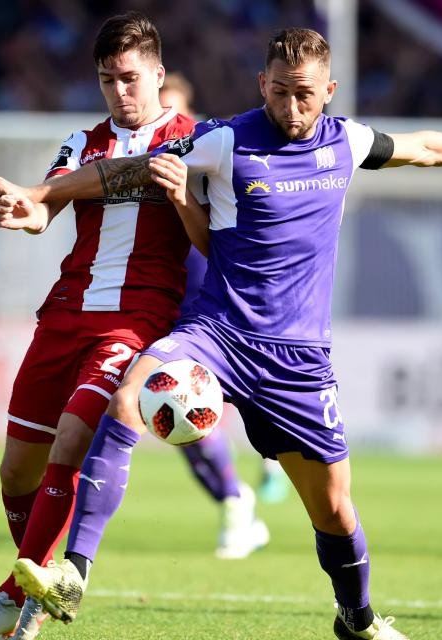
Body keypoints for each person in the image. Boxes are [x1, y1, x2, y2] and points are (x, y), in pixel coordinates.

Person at [0, 27, 442, 640]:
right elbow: (126, 171)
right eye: (278, 93)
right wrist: (40, 192)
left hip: (298, 359)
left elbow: (423, 147)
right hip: (217, 333)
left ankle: (358, 617)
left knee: (334, 509)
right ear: (260, 85)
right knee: (129, 394)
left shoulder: (345, 141)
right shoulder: (224, 139)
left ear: (329, 90)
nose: (290, 109)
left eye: (303, 94)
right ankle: (74, 572)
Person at [0, 13, 266, 640]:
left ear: (157, 73)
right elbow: (49, 207)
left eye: (129, 78)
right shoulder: (83, 141)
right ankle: (37, 587)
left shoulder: (198, 141)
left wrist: (177, 200)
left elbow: (209, 236)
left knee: (71, 444)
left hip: (135, 321)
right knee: (17, 471)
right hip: (64, 314)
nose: (119, 92)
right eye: (106, 80)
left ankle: (16, 596)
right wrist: (24, 213)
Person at [162, 72, 292, 505]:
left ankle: (263, 467)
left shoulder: (210, 146)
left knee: (204, 395)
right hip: (170, 291)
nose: (170, 114)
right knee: (175, 408)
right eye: (163, 105)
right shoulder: (158, 153)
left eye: (176, 106)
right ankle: (236, 499)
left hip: (218, 290)